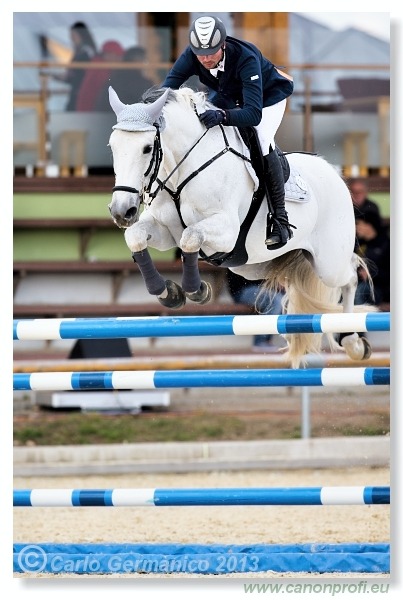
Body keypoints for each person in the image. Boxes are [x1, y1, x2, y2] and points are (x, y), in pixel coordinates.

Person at [162, 15, 294, 250]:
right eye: (200, 53)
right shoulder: (195, 55)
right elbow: (167, 90)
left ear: (222, 44)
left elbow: (253, 114)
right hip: (230, 94)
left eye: (211, 52)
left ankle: (281, 221)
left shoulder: (246, 57)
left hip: (267, 98)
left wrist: (223, 116)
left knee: (262, 140)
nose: (205, 59)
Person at [226, 269, 285, 351]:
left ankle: (293, 340)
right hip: (243, 289)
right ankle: (261, 341)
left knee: (286, 298)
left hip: (262, 287)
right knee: (274, 301)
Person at [51, 21, 97, 111]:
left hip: (82, 93)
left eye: (74, 35)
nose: (71, 38)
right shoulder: (81, 52)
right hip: (77, 91)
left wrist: (66, 77)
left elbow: (80, 74)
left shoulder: (86, 53)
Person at [76, 40, 124, 112]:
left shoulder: (97, 66)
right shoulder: (101, 70)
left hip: (88, 112)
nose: (120, 60)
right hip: (91, 113)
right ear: (107, 55)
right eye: (117, 56)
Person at [354, 211, 390, 308]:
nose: (356, 228)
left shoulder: (386, 244)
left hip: (380, 289)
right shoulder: (358, 244)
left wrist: (371, 274)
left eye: (359, 224)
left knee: (360, 291)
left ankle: (360, 321)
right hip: (357, 283)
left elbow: (390, 275)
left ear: (369, 226)